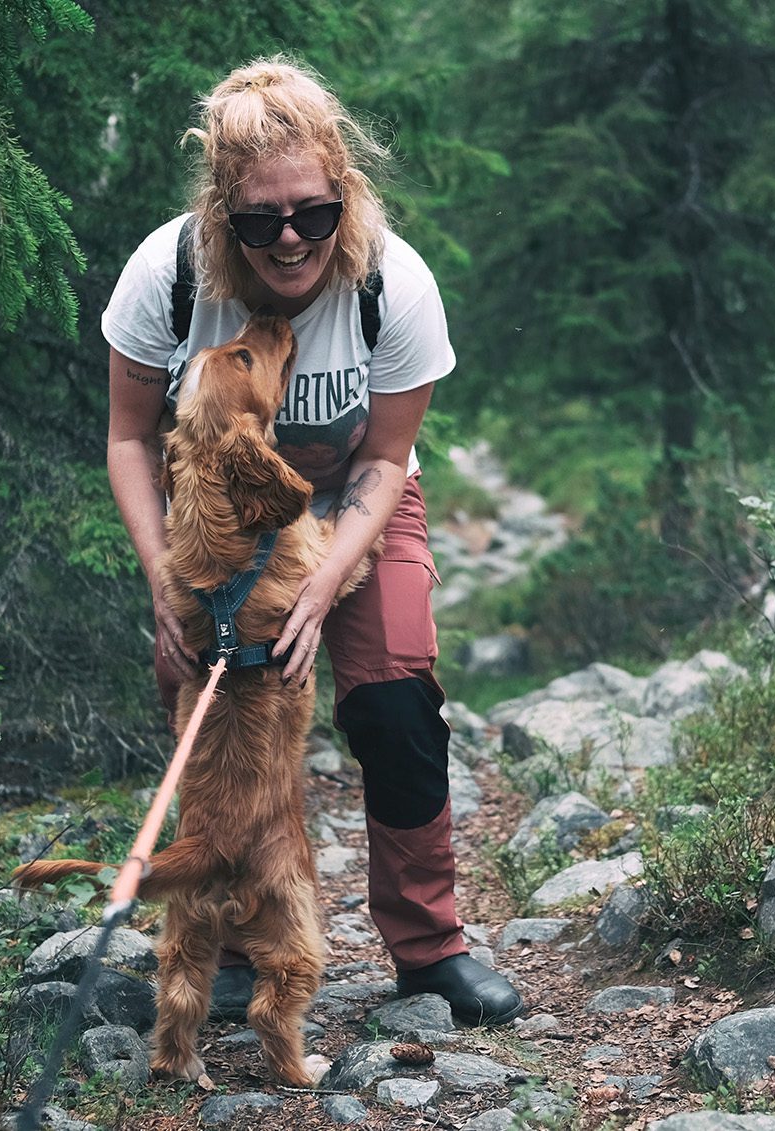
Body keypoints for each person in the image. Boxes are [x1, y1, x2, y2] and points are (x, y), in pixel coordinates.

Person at [100, 55, 522, 1027]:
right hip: (219, 533)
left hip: (357, 513)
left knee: (394, 702)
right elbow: (128, 439)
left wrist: (325, 583)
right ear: (223, 214)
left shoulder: (394, 284)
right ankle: (244, 943)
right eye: (260, 221)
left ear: (343, 189)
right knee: (220, 725)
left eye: (311, 213)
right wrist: (167, 583)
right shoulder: (168, 277)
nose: (289, 239)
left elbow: (383, 464)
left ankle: (429, 949)